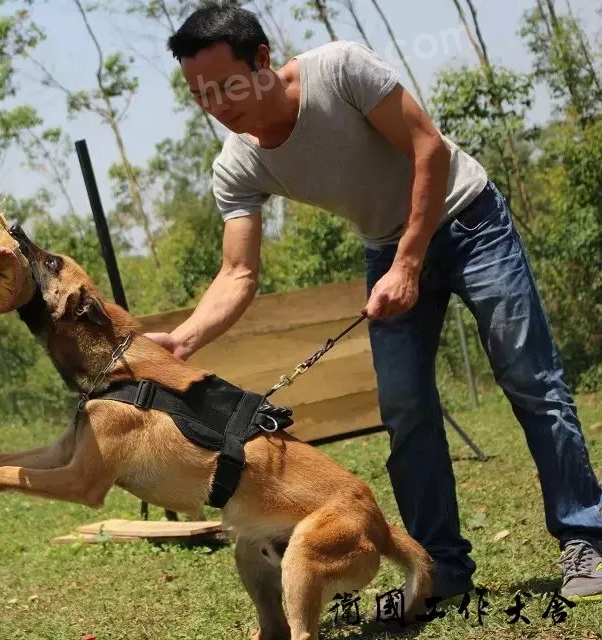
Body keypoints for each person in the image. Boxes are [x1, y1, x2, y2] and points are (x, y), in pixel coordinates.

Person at [148, 2, 602, 606]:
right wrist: (183, 339)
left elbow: (428, 148)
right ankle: (441, 569)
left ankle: (585, 537)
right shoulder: (238, 164)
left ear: (262, 61)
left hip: (470, 220)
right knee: (407, 410)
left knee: (529, 379)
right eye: (200, 95)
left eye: (225, 86)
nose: (216, 105)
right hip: (386, 251)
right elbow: (238, 271)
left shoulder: (340, 69)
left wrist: (409, 261)